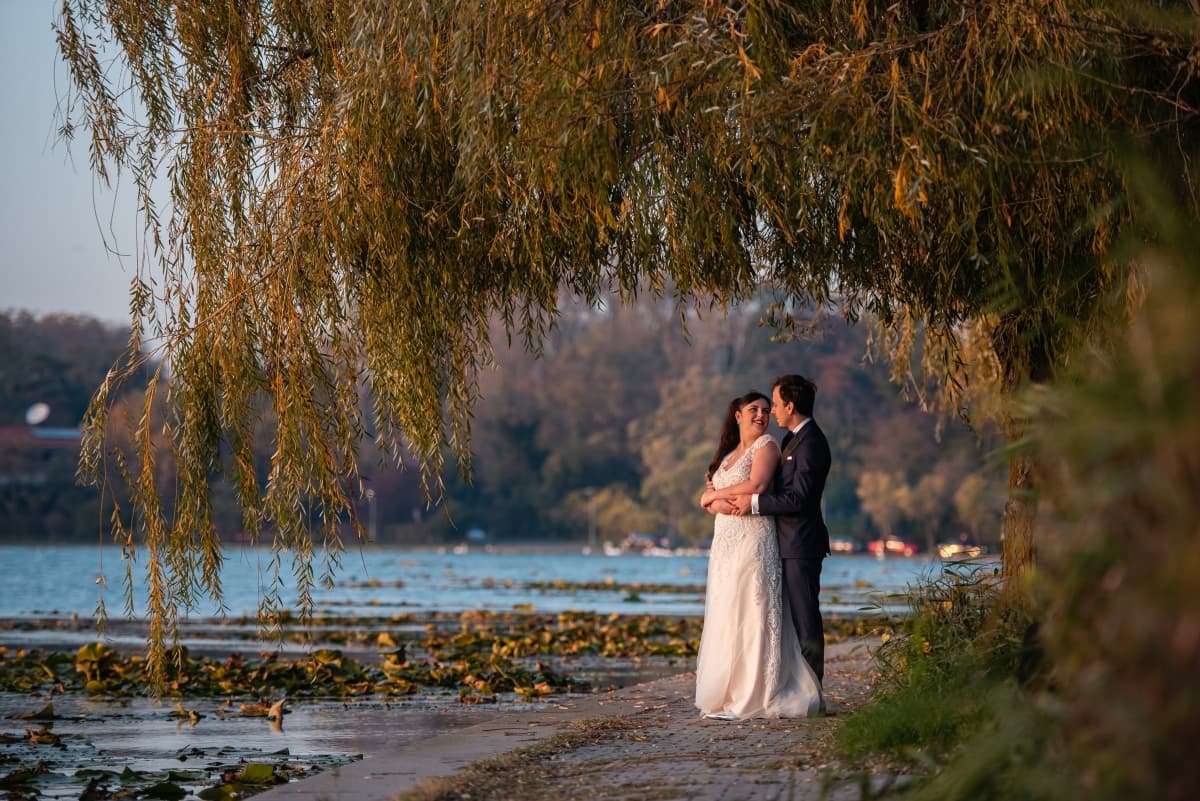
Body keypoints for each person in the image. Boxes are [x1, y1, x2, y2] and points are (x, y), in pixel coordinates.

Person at [694, 391, 823, 720]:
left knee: (753, 609)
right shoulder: (727, 455)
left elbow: (758, 485)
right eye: (754, 409)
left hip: (754, 538)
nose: (762, 415)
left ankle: (756, 691)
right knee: (728, 610)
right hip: (726, 542)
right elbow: (707, 500)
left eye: (767, 410)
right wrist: (713, 501)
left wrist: (715, 495)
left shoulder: (766, 446)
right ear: (737, 415)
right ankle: (728, 688)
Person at [730, 374, 831, 683]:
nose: (772, 412)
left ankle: (813, 692)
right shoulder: (791, 440)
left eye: (774, 405)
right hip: (783, 542)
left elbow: (800, 498)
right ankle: (793, 684)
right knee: (788, 620)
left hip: (801, 544)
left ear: (790, 405)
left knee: (805, 619)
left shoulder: (811, 443)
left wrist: (755, 504)